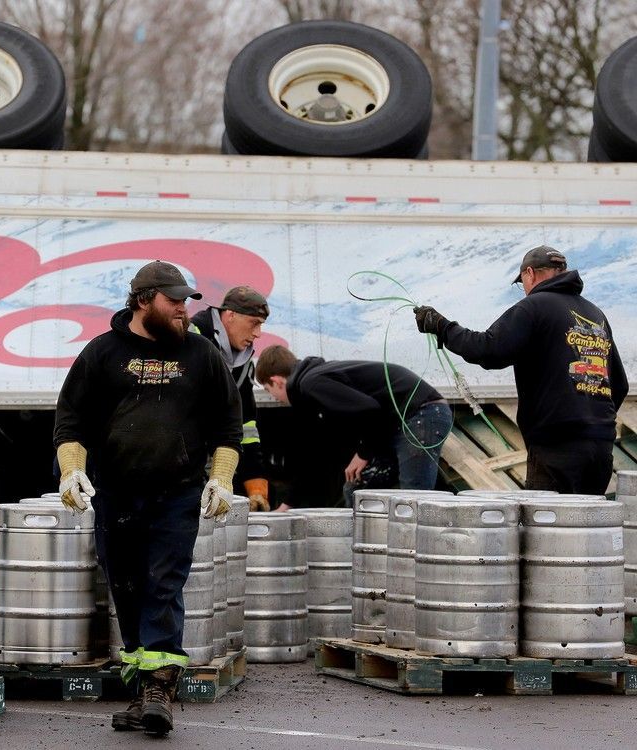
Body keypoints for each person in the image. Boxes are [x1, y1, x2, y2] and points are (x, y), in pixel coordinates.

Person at [53, 260, 242, 736]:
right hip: (116, 495)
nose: (183, 309)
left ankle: (160, 687)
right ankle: (142, 692)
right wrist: (72, 470)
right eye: (174, 300)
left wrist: (221, 479)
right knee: (128, 588)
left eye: (186, 301)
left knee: (163, 584)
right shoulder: (102, 353)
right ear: (143, 301)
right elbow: (70, 419)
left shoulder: (201, 356)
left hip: (176, 495)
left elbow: (228, 427)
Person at [413, 245, 627, 494]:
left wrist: (442, 326)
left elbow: (488, 349)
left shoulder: (534, 307)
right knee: (587, 527)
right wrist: (592, 421)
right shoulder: (595, 314)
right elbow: (618, 385)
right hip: (600, 449)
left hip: (555, 446)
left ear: (530, 273)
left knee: (548, 527)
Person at [255, 345, 453, 505]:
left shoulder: (311, 383)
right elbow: (315, 454)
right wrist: (288, 505)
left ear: (277, 381)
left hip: (421, 412)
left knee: (414, 499)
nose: (273, 397)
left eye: (268, 389)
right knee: (357, 487)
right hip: (395, 422)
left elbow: (369, 410)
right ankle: (369, 546)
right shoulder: (312, 389)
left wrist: (363, 453)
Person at [190, 286, 271, 511]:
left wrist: (256, 485)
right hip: (182, 467)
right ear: (230, 315)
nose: (258, 334)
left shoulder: (243, 360)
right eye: (254, 323)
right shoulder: (190, 339)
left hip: (216, 466)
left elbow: (245, 424)